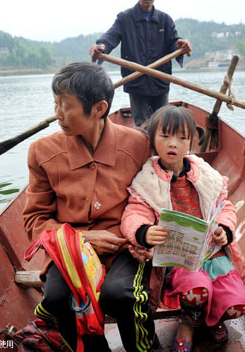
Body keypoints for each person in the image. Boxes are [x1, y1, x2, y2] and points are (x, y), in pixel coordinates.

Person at [23, 62, 156, 352]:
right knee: (58, 298)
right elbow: (35, 220)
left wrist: (148, 237)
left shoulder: (138, 145)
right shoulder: (42, 152)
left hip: (124, 246)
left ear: (98, 108)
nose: (57, 114)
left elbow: (156, 197)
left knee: (120, 294)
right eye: (55, 103)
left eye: (65, 106)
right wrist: (81, 238)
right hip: (68, 251)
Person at [120, 105, 245, 352]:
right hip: (176, 256)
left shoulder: (205, 173)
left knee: (237, 304)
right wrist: (144, 232)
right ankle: (188, 324)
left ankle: (211, 319)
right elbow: (134, 213)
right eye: (165, 136)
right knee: (197, 289)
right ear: (152, 139)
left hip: (211, 252)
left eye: (181, 137)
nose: (173, 144)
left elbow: (224, 207)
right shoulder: (146, 179)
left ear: (191, 142)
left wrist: (224, 230)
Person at [89, 0, 192, 127]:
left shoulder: (165, 20)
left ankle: (160, 150)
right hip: (136, 81)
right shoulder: (125, 18)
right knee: (142, 125)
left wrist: (181, 45)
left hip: (160, 81)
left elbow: (173, 43)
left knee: (163, 125)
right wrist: (101, 46)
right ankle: (144, 149)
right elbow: (111, 36)